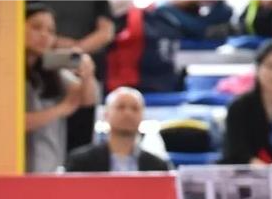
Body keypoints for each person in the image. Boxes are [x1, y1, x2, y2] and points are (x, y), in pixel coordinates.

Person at [24, 2, 99, 174]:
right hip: (17, 167)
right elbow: (13, 123)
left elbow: (87, 100)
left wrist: (87, 74)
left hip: (49, 167)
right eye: (36, 27)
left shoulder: (52, 72)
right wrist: (61, 109)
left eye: (51, 31)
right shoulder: (7, 75)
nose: (44, 35)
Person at [42, 0, 114, 153]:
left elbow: (106, 32)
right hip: (44, 69)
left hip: (85, 71)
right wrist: (52, 41)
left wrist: (75, 52)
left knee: (82, 133)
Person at [64, 87, 171, 172]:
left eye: (135, 108)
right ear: (106, 115)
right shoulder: (81, 162)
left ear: (143, 116)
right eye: (121, 107)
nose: (128, 113)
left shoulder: (158, 167)